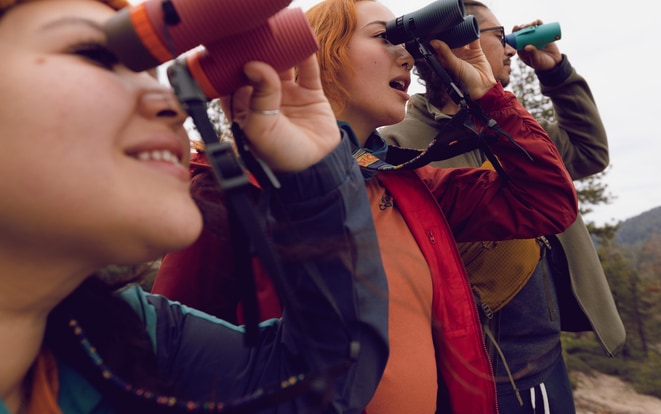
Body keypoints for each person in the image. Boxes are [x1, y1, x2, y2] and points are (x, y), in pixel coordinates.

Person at [152, 0, 580, 412]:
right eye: (384, 37)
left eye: (405, 43)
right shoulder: (237, 191)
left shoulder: (411, 187)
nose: (407, 58)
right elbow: (165, 368)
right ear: (320, 56)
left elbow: (547, 202)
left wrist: (489, 95)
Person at [0, 0, 391, 412]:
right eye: (94, 55)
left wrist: (314, 172)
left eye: (150, 75)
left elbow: (322, 386)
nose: (173, 107)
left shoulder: (125, 340)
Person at [381, 1, 627, 413]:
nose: (512, 49)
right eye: (499, 37)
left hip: (546, 352)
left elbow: (589, 152)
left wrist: (556, 71)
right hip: (481, 370)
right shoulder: (400, 146)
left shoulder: (518, 128)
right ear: (459, 45)